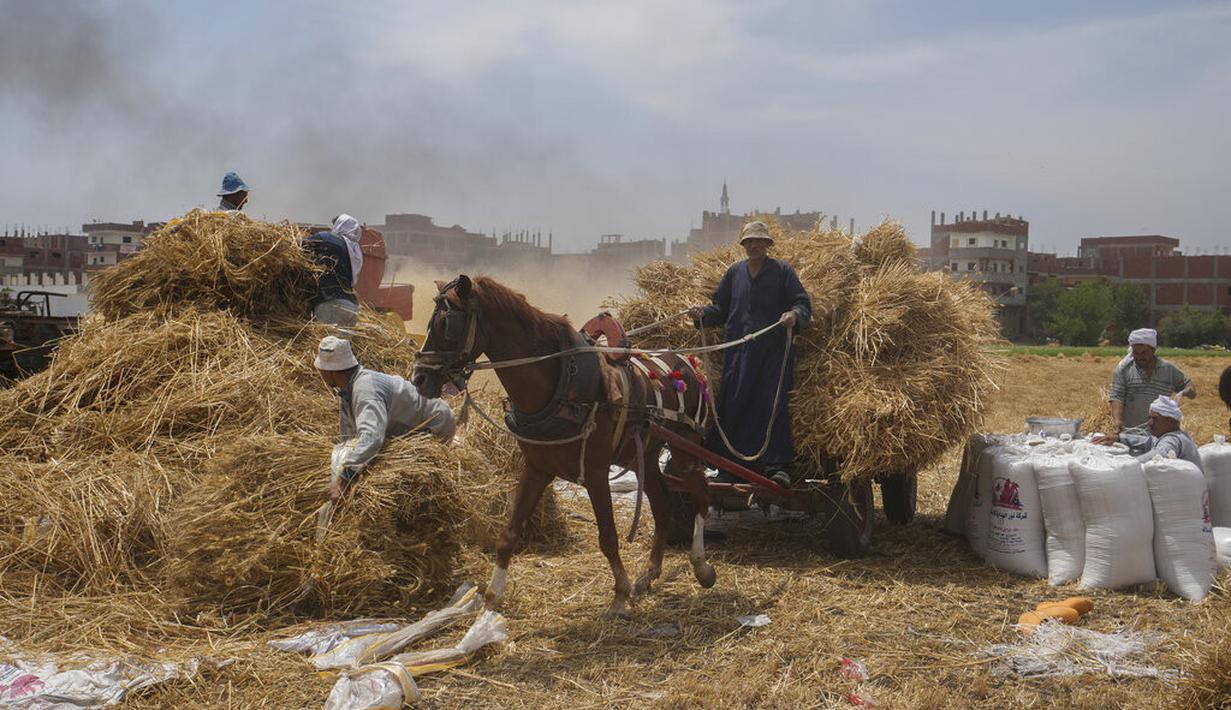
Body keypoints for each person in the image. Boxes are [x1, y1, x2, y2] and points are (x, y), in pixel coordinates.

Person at [687, 220, 811, 488]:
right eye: (749, 241)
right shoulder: (734, 273)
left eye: (759, 241)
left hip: (773, 353)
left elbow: (802, 302)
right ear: (743, 245)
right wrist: (702, 315)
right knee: (734, 404)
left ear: (768, 245)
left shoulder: (782, 272)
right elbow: (720, 309)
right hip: (739, 354)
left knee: (771, 404)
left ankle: (777, 466)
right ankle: (729, 467)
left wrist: (794, 315)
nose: (753, 245)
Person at [315, 336, 456, 502]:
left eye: (321, 368)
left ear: (329, 371)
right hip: (412, 423)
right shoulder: (350, 388)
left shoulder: (365, 391)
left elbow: (371, 437)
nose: (319, 372)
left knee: (404, 480)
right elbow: (353, 437)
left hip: (435, 423)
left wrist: (344, 478)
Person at [1109, 328, 1195, 434]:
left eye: (1144, 352)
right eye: (1136, 353)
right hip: (1131, 432)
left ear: (1153, 350)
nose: (1140, 357)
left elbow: (1188, 385)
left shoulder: (1168, 369)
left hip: (1161, 434)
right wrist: (1118, 421)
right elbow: (1117, 396)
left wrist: (1189, 390)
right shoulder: (1124, 370)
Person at [1095, 394, 1202, 472]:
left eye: (1155, 419)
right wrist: (1119, 438)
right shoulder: (1178, 435)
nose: (1150, 423)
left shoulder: (1172, 439)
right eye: (1149, 418)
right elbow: (1147, 441)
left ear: (1171, 421)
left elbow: (1159, 455)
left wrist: (1125, 464)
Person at [304, 218, 362, 329]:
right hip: (351, 307)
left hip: (330, 302)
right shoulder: (355, 251)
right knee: (344, 345)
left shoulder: (327, 238)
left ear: (339, 225)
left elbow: (299, 246)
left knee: (328, 342)